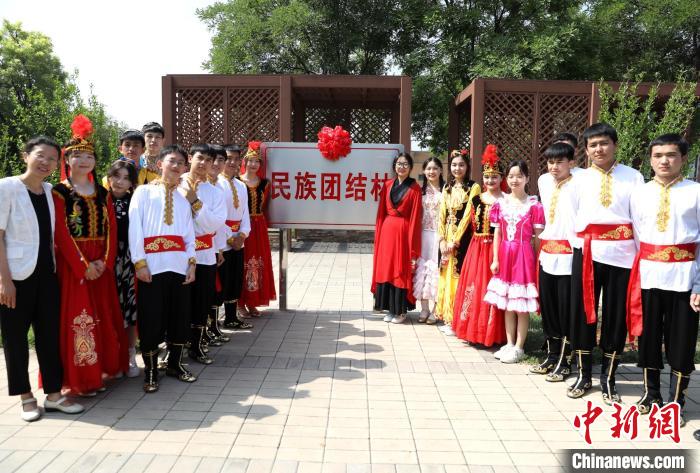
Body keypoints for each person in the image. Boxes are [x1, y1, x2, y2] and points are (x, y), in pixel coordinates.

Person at [0, 136, 84, 421]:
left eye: (52, 158)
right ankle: (25, 396)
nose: (46, 162)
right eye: (40, 155)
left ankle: (53, 394)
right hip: (15, 276)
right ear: (26, 155)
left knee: (49, 335)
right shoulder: (7, 187)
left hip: (47, 274)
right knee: (15, 337)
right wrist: (4, 280)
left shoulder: (50, 191)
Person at [53, 115, 129, 394]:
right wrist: (82, 265)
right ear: (67, 160)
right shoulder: (59, 192)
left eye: (89, 156)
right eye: (78, 156)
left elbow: (112, 229)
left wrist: (104, 263)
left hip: (100, 263)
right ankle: (81, 379)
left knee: (104, 316)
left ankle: (102, 371)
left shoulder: (102, 192)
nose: (84, 161)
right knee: (79, 318)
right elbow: (60, 232)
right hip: (74, 265)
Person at [568, 123, 644, 402]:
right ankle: (584, 374)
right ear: (586, 150)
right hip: (586, 253)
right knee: (582, 314)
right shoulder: (577, 178)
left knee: (615, 316)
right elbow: (570, 218)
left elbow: (639, 219)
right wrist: (578, 250)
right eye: (592, 145)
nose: (598, 149)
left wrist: (639, 255)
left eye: (603, 143)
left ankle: (609, 377)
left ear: (615, 144)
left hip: (623, 256)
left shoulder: (634, 177)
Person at [628, 134, 699, 427]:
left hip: (685, 278)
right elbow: (635, 235)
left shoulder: (695, 192)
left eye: (671, 155)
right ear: (650, 159)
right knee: (649, 338)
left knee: (681, 343)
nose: (664, 161)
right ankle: (650, 394)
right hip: (649, 277)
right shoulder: (640, 193)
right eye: (658, 155)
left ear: (683, 158)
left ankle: (676, 401)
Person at [129, 144, 197, 393]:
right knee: (151, 318)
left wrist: (192, 263)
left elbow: (189, 234)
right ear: (160, 164)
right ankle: (150, 370)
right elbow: (135, 227)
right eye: (172, 161)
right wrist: (140, 262)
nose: (177, 166)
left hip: (179, 266)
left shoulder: (183, 198)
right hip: (152, 267)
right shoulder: (143, 192)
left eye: (181, 163)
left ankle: (175, 365)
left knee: (179, 317)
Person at [484, 160, 545, 364]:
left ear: (527, 178)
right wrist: (495, 259)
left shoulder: (534, 205)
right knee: (507, 302)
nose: (514, 180)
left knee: (521, 304)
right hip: (505, 254)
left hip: (524, 255)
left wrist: (536, 262)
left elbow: (538, 237)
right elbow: (498, 232)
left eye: (519, 176)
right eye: (510, 176)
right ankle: (509, 343)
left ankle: (520, 346)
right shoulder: (500, 203)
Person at [531, 142, 578, 381]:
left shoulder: (581, 182)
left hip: (570, 255)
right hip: (548, 253)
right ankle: (551, 355)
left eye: (560, 161)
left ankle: (566, 360)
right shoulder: (543, 181)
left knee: (566, 309)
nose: (554, 166)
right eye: (550, 161)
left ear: (572, 162)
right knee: (548, 308)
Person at [452, 145, 506, 347]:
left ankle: (492, 333)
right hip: (477, 248)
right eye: (487, 177)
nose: (490, 181)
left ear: (501, 178)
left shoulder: (506, 201)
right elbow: (467, 222)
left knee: (493, 288)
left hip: (497, 249)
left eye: (495, 177)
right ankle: (472, 330)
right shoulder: (475, 199)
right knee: (474, 287)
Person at [182, 144, 227, 364]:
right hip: (178, 255)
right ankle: (176, 348)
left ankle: (197, 345)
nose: (203, 163)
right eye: (199, 158)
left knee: (201, 301)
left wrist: (195, 202)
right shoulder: (174, 184)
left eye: (208, 160)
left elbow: (214, 224)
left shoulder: (215, 193)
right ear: (190, 158)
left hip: (205, 254)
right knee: (179, 301)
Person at [371, 153, 423, 324]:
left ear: (410, 167)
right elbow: (380, 213)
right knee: (386, 268)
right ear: (394, 166)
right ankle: (389, 308)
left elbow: (415, 217)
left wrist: (413, 247)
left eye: (405, 164)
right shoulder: (387, 185)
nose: (402, 167)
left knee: (399, 269)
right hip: (387, 232)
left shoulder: (415, 188)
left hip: (403, 232)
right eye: (399, 164)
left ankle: (400, 311)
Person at [435, 150, 480, 335]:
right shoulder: (447, 187)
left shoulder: (474, 187)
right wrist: (442, 240)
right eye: (454, 165)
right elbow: (442, 215)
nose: (457, 168)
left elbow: (468, 216)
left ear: (467, 167)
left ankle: (458, 320)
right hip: (447, 239)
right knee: (445, 276)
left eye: (461, 165)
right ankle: (447, 317)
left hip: (463, 240)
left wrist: (455, 241)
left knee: (459, 278)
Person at [106, 160, 140, 378]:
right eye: (116, 176)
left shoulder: (135, 202)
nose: (120, 182)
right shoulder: (99, 199)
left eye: (126, 178)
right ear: (109, 177)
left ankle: (130, 354)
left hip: (129, 262)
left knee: (130, 310)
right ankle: (113, 357)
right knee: (110, 310)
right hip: (107, 263)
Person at [238, 141, 276, 315]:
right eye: (250, 160)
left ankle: (253, 301)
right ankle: (240, 303)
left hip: (259, 226)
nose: (253, 164)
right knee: (242, 262)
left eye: (257, 161)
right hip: (242, 226)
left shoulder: (265, 184)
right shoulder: (237, 182)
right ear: (244, 162)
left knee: (256, 263)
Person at [217, 144, 252, 330]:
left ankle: (231, 317)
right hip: (222, 241)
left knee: (235, 280)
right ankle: (214, 323)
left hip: (239, 240)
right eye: (228, 158)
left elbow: (245, 213)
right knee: (220, 281)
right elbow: (217, 217)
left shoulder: (241, 185)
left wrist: (243, 235)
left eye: (236, 159)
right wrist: (230, 238)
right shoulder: (216, 184)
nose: (232, 162)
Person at [413, 157, 444, 323]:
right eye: (428, 168)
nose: (431, 171)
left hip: (440, 236)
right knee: (423, 271)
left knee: (438, 271)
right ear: (424, 171)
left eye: (435, 168)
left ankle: (436, 310)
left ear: (441, 170)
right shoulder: (420, 191)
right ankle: (424, 309)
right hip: (423, 235)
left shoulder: (447, 190)